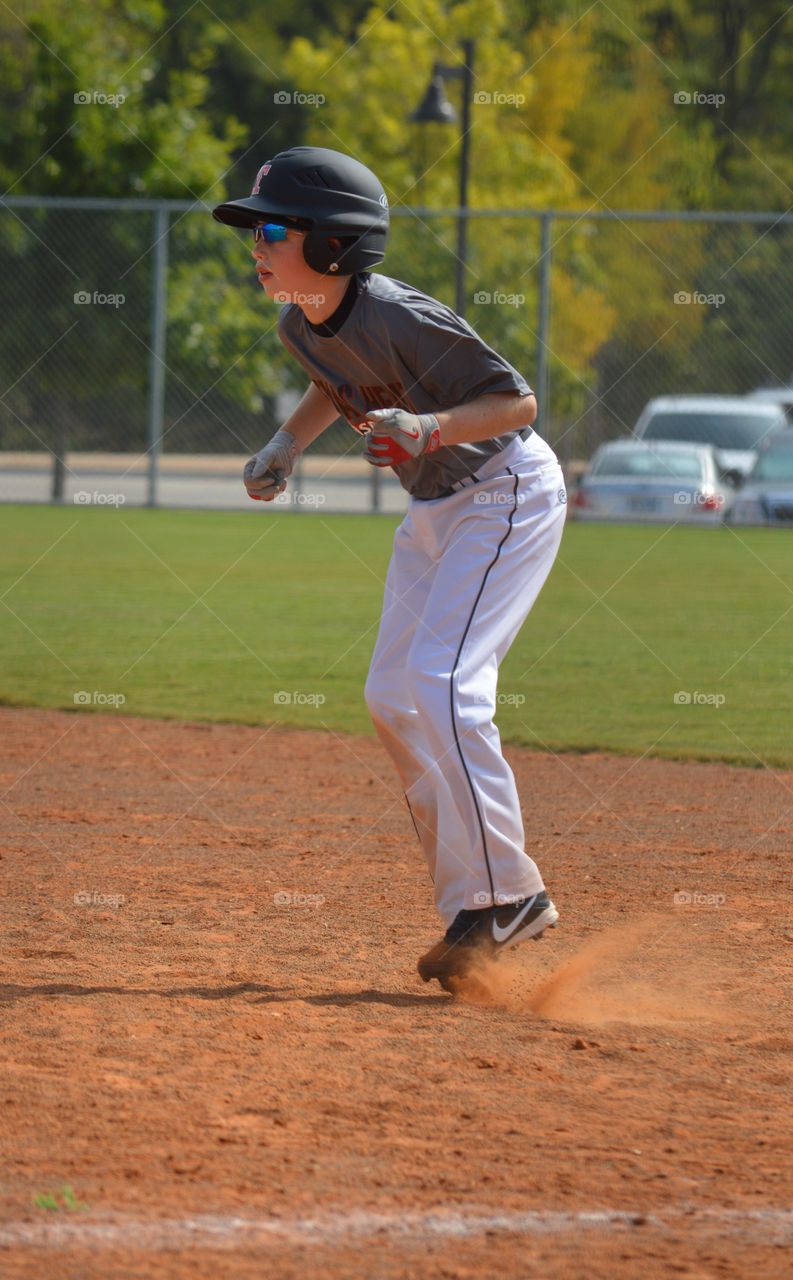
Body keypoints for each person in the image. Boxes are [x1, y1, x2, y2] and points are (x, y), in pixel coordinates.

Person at [213, 147, 567, 992]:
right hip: (437, 508)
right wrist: (284, 444)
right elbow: (333, 381)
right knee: (390, 694)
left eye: (270, 230)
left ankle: (512, 895)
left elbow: (516, 403)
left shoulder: (401, 314)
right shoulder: (299, 322)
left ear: (332, 246)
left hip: (505, 489)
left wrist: (428, 428)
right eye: (252, 232)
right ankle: (476, 907)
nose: (255, 247)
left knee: (443, 681)